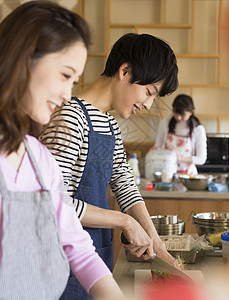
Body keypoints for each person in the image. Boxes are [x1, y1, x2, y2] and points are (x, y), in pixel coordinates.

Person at [0, 1, 125, 299]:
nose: (68, 94)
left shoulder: (39, 158)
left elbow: (78, 247)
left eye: (75, 81)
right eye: (64, 75)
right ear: (24, 59)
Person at [41, 32, 179, 299]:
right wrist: (124, 221)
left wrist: (157, 244)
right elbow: (50, 205)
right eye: (149, 92)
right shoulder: (70, 117)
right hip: (60, 266)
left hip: (93, 261)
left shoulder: (109, 124)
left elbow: (126, 187)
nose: (148, 104)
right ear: (125, 71)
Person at [154, 94, 207, 174]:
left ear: (191, 112)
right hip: (166, 172)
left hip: (188, 175)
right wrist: (155, 151)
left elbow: (201, 159)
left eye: (182, 114)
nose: (178, 117)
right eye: (175, 113)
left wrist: (179, 158)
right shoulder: (164, 123)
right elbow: (158, 147)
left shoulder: (198, 129)